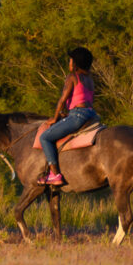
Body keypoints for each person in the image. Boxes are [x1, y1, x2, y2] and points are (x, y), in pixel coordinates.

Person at [38, 47, 99, 186]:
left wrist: (55, 117)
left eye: (71, 60)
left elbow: (62, 99)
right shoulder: (90, 79)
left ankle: (54, 174)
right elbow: (85, 99)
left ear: (75, 63)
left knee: (45, 137)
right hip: (91, 114)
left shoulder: (73, 77)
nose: (69, 62)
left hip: (78, 115)